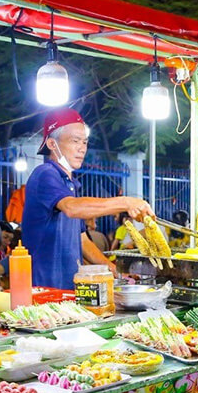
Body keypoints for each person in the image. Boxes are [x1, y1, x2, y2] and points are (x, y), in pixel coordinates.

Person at [22, 109, 152, 290]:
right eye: (75, 141)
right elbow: (71, 208)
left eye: (84, 142)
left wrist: (115, 271)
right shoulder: (45, 174)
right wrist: (126, 202)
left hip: (69, 289)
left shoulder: (70, 185)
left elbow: (82, 240)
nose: (82, 148)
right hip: (44, 289)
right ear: (52, 143)